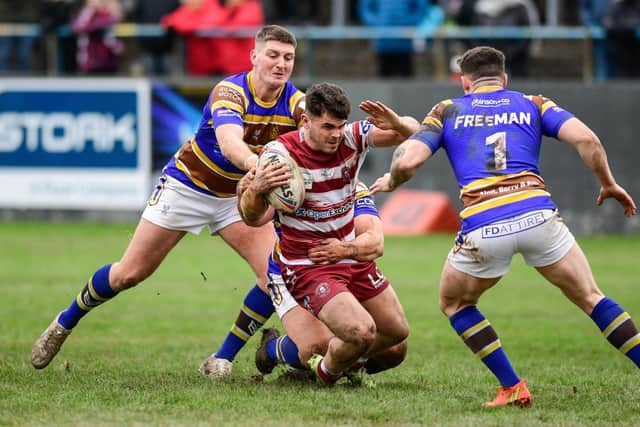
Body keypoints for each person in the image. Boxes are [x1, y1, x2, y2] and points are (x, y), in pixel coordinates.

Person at [371, 46, 639, 407]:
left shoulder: (447, 110)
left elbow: (410, 158)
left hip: (485, 225)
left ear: (464, 82)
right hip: (538, 217)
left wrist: (393, 179)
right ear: (504, 79)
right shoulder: (534, 103)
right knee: (592, 298)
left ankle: (512, 386)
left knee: (454, 303)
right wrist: (607, 182)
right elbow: (587, 139)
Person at [30, 25, 304, 370]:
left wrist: (394, 130)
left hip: (236, 197)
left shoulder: (296, 102)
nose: (281, 64)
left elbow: (329, 130)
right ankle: (64, 322)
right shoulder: (230, 91)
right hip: (188, 185)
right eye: (273, 55)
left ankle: (222, 358)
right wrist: (257, 166)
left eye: (288, 58)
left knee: (273, 276)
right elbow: (230, 142)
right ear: (254, 57)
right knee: (129, 273)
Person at [238, 82, 420, 384]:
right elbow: (252, 217)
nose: (336, 134)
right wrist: (257, 189)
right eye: (327, 127)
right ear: (306, 121)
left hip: (348, 257)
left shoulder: (352, 139)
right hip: (307, 265)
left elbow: (418, 134)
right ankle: (322, 371)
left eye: (340, 126)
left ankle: (334, 364)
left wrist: (400, 124)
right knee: (355, 333)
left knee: (396, 334)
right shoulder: (280, 155)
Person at [252, 181, 408, 383]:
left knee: (394, 348)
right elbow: (253, 217)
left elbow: (375, 241)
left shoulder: (352, 184)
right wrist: (252, 190)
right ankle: (273, 348)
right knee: (318, 348)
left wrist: (344, 249)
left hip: (347, 266)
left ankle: (345, 365)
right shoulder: (292, 183)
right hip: (296, 269)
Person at [70, 0, 124, 74]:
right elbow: (77, 27)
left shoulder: (108, 16)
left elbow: (112, 21)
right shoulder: (85, 15)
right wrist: (89, 10)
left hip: (109, 64)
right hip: (88, 65)